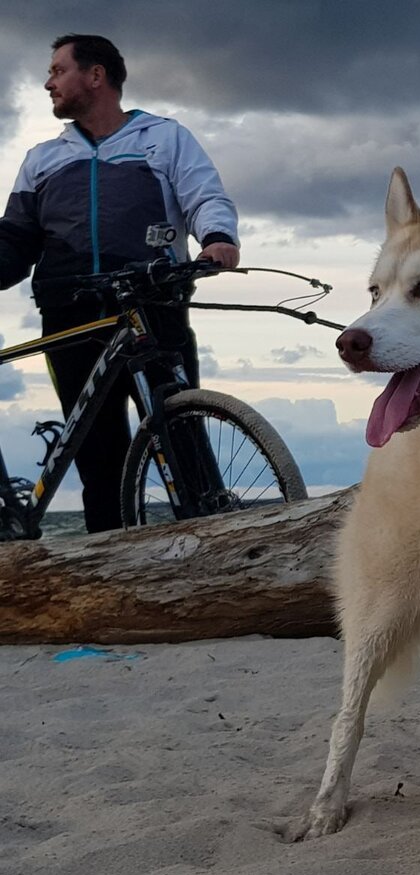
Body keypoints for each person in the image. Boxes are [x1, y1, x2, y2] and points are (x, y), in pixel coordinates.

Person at [0, 34, 240, 533]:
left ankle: (213, 549)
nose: (48, 83)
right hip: (68, 311)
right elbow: (14, 242)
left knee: (181, 436)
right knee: (96, 454)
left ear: (95, 75)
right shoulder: (41, 158)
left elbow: (204, 196)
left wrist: (217, 238)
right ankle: (107, 571)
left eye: (57, 70)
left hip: (151, 301)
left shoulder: (164, 137)